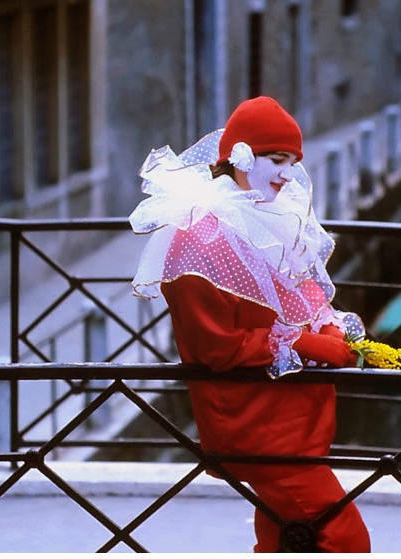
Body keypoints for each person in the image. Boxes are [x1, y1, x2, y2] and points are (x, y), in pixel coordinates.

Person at [130, 95, 371, 553]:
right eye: (277, 160)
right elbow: (214, 347)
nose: (288, 174)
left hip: (290, 420)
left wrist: (327, 326)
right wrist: (302, 345)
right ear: (240, 157)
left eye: (292, 162)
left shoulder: (267, 216)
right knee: (344, 539)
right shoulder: (198, 240)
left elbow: (303, 297)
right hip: (256, 426)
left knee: (286, 537)